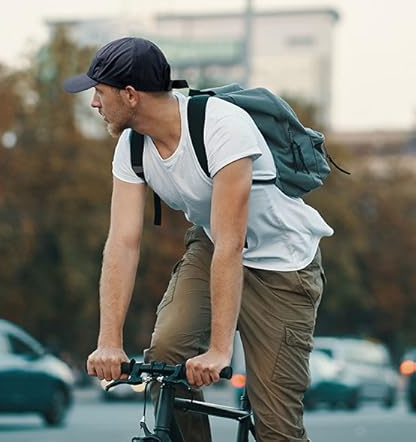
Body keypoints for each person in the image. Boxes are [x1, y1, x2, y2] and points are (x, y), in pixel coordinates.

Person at [63, 37, 333, 442]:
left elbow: (232, 243)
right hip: (213, 245)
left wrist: (220, 351)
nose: (94, 104)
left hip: (283, 267)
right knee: (167, 355)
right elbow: (122, 242)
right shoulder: (132, 147)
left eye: (99, 93)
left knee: (277, 428)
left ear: (131, 95)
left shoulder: (222, 127)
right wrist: (109, 342)